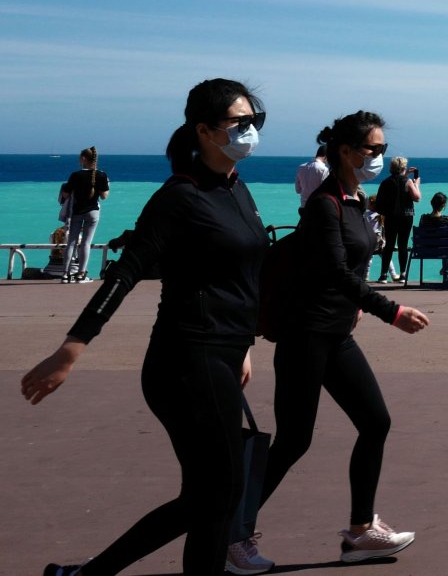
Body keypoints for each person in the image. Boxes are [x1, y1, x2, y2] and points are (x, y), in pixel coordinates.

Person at [23, 78, 271, 576]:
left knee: (209, 495)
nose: (250, 132)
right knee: (219, 493)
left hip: (223, 354)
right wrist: (71, 348)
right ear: (203, 130)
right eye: (239, 123)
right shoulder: (180, 196)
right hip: (185, 359)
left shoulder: (236, 189)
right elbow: (126, 271)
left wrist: (244, 346)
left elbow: (239, 277)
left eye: (255, 122)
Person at [253, 111, 430, 565]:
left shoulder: (356, 201)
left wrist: (356, 308)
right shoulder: (324, 204)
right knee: (294, 441)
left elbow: (351, 267)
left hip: (336, 335)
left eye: (383, 150)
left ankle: (360, 531)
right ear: (346, 152)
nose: (379, 157)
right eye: (374, 149)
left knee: (375, 422)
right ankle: (231, 534)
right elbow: (332, 270)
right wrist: (391, 311)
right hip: (305, 335)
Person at [57, 147, 110, 283]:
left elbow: (66, 195)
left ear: (84, 159)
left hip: (76, 212)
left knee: (71, 242)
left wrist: (65, 188)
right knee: (86, 243)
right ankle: (81, 274)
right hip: (93, 212)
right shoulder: (102, 175)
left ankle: (65, 274)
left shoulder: (75, 175)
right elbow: (104, 196)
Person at [374, 156, 421, 283]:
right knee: (403, 245)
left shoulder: (385, 182)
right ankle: (403, 274)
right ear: (403, 168)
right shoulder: (408, 182)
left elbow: (379, 202)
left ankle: (383, 275)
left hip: (390, 216)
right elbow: (417, 198)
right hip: (406, 217)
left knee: (389, 244)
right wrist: (416, 184)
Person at [416, 191, 448, 280]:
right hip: (443, 250)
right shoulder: (447, 220)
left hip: (425, 250)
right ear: (444, 205)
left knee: (445, 246)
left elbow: (420, 235)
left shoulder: (423, 218)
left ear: (432, 203)